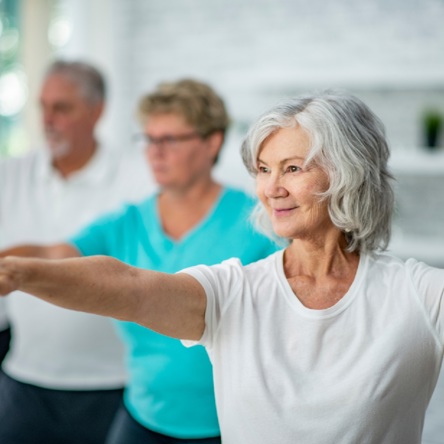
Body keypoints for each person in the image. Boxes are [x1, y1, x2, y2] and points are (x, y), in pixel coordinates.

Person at [1, 90, 442, 444]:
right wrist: (18, 272)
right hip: (145, 412)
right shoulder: (232, 288)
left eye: (292, 168)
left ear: (349, 174)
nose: (272, 188)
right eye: (263, 169)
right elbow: (130, 285)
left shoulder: (417, 294)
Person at [0, 79, 279, 444]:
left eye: (170, 140)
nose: (154, 152)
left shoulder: (259, 222)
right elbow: (56, 254)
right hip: (143, 417)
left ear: (212, 142)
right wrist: (8, 265)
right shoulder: (128, 222)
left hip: (230, 422)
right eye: (148, 139)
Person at [0, 60, 153, 444]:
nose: (48, 119)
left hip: (114, 384)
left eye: (63, 108)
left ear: (97, 110)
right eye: (44, 107)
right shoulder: (9, 176)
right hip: (24, 380)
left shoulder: (139, 178)